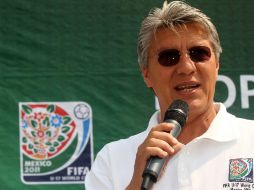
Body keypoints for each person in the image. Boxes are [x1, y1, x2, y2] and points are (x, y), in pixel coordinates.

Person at [85, 1, 254, 190]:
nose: (186, 67)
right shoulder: (112, 160)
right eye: (169, 57)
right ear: (146, 74)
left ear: (216, 65)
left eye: (198, 53)